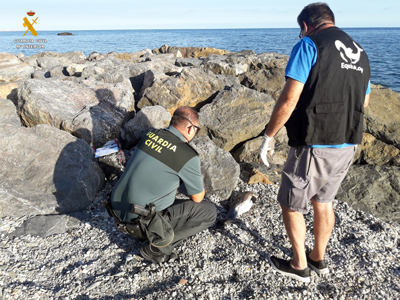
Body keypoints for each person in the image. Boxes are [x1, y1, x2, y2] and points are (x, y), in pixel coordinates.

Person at [259, 3, 371, 282]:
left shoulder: (310, 44)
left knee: (291, 203)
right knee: (324, 201)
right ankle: (318, 258)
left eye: (301, 30)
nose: (300, 35)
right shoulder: (361, 53)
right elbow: (364, 101)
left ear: (306, 25)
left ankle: (299, 265)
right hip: (348, 141)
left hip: (314, 142)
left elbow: (289, 99)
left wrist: (268, 135)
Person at [109, 106, 217, 263]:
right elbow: (197, 197)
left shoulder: (150, 134)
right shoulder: (187, 155)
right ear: (190, 128)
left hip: (117, 211)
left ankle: (150, 231)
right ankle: (158, 247)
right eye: (197, 130)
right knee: (209, 212)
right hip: (138, 220)